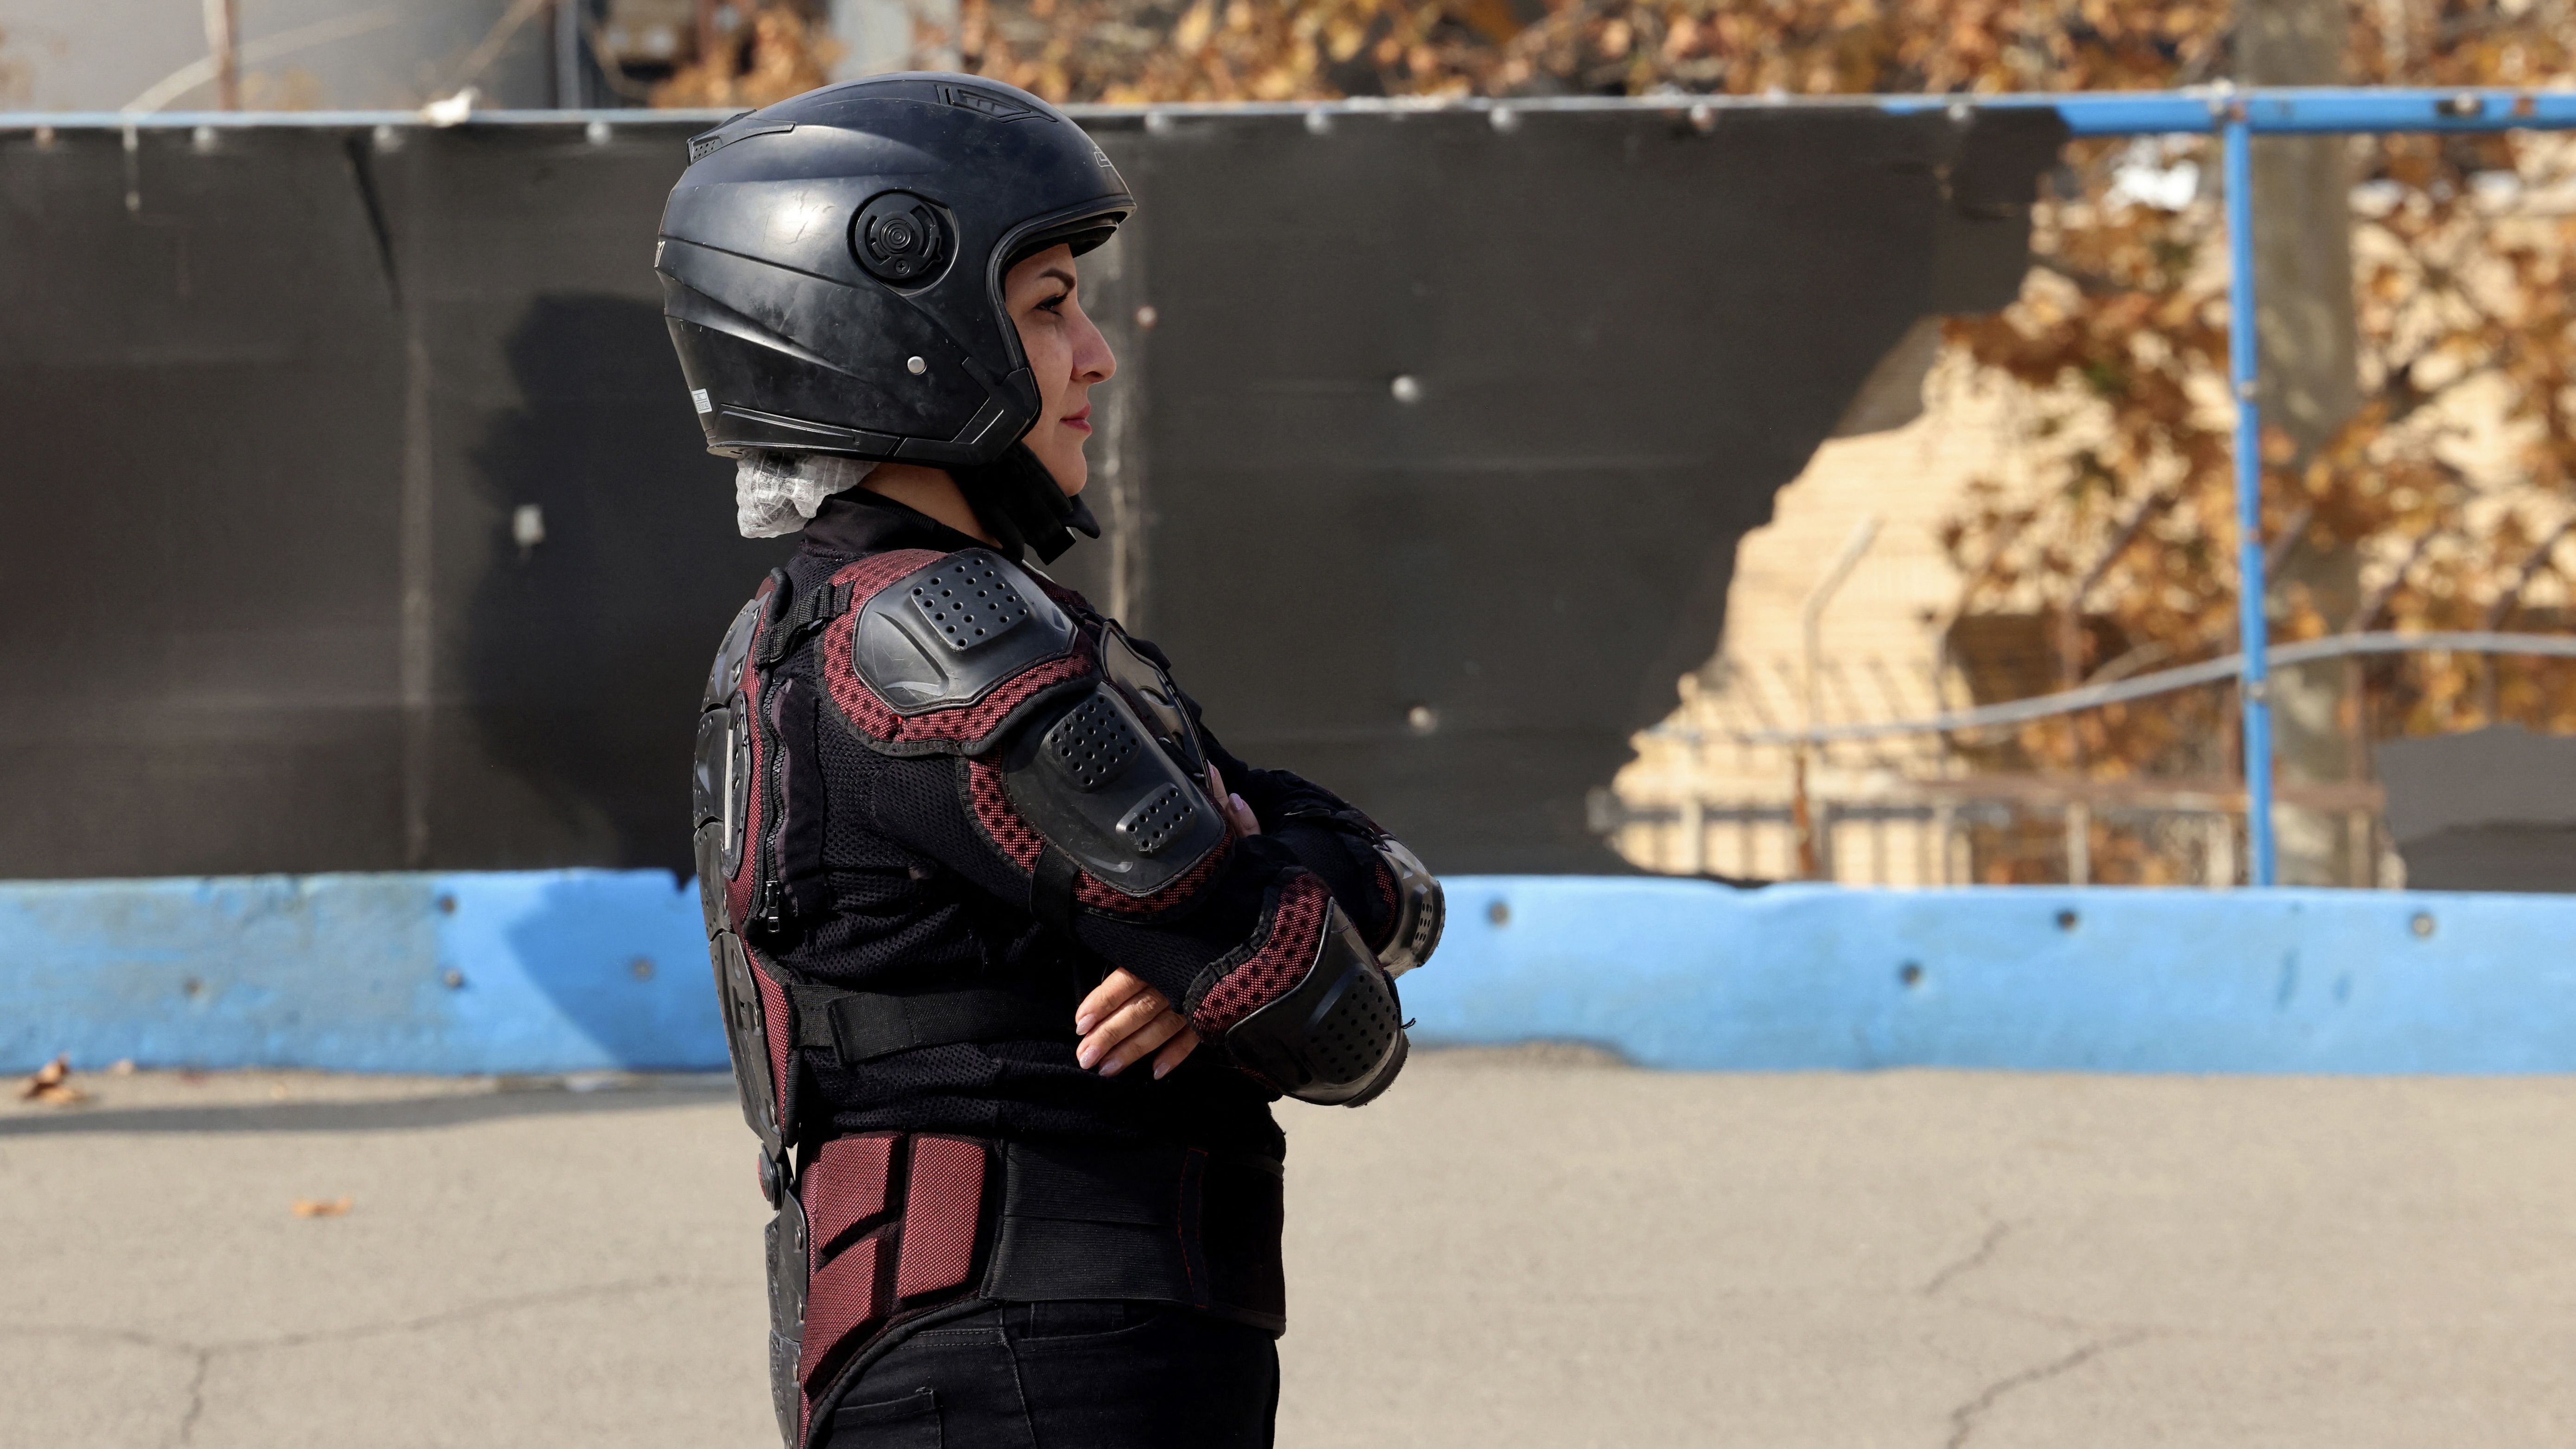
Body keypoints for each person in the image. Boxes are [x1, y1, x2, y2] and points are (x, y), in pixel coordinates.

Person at [664, 74, 1445, 1449]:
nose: (1095, 356)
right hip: (1038, 1365)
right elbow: (1330, 1020)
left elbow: (1359, 881)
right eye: (1046, 307)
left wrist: (1274, 897)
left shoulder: (824, 623)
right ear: (903, 335)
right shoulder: (942, 647)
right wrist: (1271, 913)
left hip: (985, 1355)